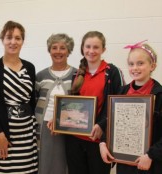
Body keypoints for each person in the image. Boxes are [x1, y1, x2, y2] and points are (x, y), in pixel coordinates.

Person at [0, 20, 38, 173]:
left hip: (26, 135)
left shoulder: (30, 67)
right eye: (9, 37)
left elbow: (32, 101)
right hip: (1, 134)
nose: (13, 42)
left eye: (18, 38)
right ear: (3, 40)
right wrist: (0, 135)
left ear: (22, 41)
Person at [99, 41, 162, 174]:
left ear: (153, 66)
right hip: (125, 162)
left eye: (140, 63)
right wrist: (103, 143)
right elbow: (112, 122)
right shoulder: (122, 92)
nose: (135, 68)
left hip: (150, 164)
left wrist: (151, 155)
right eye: (131, 64)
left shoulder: (159, 95)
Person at [67, 31, 124, 174]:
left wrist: (102, 124)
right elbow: (71, 105)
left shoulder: (112, 72)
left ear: (103, 49)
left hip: (99, 141)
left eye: (96, 47)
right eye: (88, 47)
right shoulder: (76, 73)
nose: (91, 51)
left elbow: (119, 105)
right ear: (82, 48)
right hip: (75, 139)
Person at [35, 33, 76, 174]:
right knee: (44, 164)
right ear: (49, 50)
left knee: (65, 164)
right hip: (44, 127)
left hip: (68, 129)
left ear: (69, 51)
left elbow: (80, 105)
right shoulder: (40, 76)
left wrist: (60, 119)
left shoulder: (77, 75)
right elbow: (33, 100)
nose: (58, 51)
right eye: (54, 48)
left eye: (62, 48)